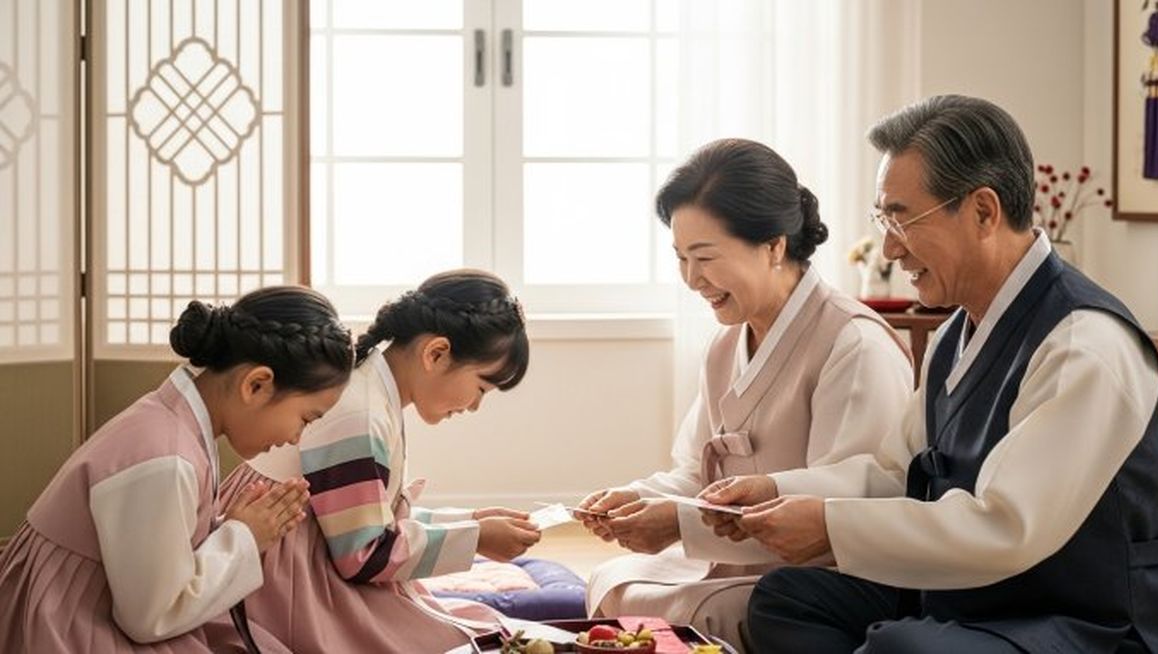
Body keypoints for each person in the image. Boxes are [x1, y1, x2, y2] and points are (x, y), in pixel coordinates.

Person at [703, 95, 1158, 652]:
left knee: (903, 647)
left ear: (984, 212)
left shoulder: (1084, 344)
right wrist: (775, 490)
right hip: (975, 595)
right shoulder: (955, 334)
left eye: (902, 217)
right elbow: (896, 472)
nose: (889, 247)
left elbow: (1006, 527)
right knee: (786, 597)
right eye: (882, 218)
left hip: (1086, 621)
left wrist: (829, 527)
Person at [579, 138, 913, 652]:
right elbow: (695, 471)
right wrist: (638, 498)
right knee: (610, 581)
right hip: (727, 554)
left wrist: (680, 524)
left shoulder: (854, 343)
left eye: (705, 257)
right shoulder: (725, 343)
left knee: (699, 613)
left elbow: (848, 504)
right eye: (681, 258)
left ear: (774, 245)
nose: (692, 279)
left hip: (810, 582)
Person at [0, 286, 355, 653]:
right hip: (69, 620)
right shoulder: (164, 455)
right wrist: (243, 536)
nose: (297, 438)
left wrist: (229, 527)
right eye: (305, 419)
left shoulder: (175, 422)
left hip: (98, 603)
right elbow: (151, 616)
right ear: (257, 385)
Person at [221, 269, 539, 653]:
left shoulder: (371, 386)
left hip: (316, 557)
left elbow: (364, 516)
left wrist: (471, 522)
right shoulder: (361, 412)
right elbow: (364, 555)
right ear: (435, 353)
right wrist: (476, 538)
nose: (474, 405)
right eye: (481, 387)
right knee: (468, 641)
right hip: (290, 582)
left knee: (486, 631)